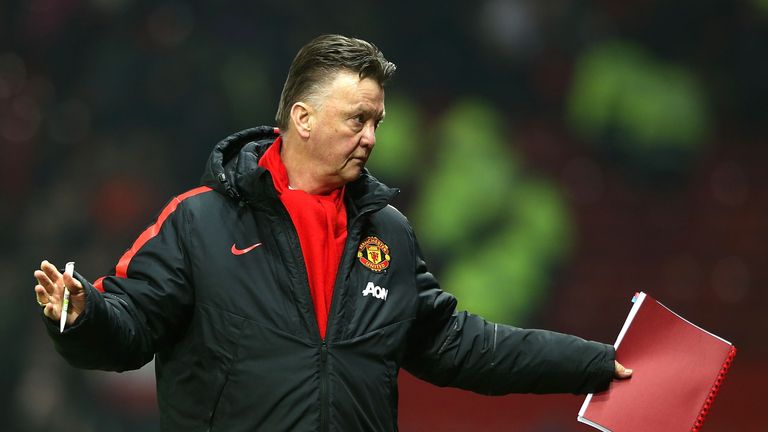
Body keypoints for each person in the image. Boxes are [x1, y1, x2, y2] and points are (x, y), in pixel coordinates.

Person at [34, 34, 631, 431]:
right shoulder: (200, 220)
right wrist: (84, 317)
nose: (371, 136)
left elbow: (463, 346)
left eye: (377, 121)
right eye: (357, 119)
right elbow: (130, 328)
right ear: (302, 117)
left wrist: (596, 363)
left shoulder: (388, 234)